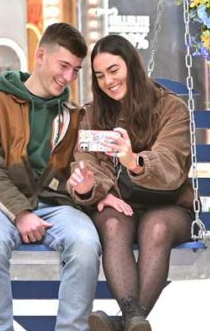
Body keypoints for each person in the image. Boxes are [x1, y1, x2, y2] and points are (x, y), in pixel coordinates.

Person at [0, 22, 101, 331]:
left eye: (76, 70)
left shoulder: (74, 115)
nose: (67, 77)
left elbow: (80, 172)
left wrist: (84, 187)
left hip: (54, 206)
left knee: (85, 242)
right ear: (40, 55)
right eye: (63, 65)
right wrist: (21, 212)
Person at [66, 34, 194, 331]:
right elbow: (86, 161)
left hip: (169, 205)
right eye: (100, 76)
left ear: (132, 67)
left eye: (114, 70)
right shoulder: (92, 114)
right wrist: (89, 187)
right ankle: (133, 322)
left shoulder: (171, 109)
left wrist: (133, 160)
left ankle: (122, 322)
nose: (108, 81)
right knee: (112, 224)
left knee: (156, 228)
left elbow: (171, 163)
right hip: (117, 202)